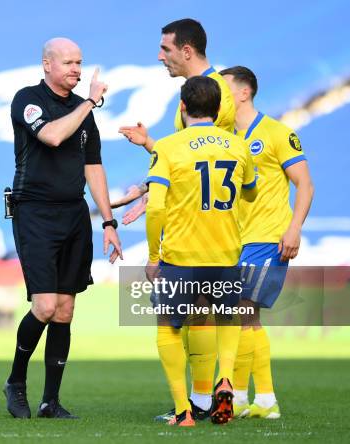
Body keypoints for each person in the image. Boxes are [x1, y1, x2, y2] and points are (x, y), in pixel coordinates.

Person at [115, 18, 237, 422]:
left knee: (175, 320)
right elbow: (202, 157)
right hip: (217, 234)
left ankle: (196, 400)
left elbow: (198, 157)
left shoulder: (215, 93)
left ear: (187, 50)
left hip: (194, 232)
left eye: (165, 48)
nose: (159, 56)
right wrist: (152, 164)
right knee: (209, 313)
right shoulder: (205, 94)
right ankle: (207, 396)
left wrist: (155, 192)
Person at [3, 37, 123, 420]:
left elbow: (94, 168)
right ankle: (15, 382)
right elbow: (52, 136)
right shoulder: (28, 99)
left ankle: (49, 401)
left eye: (79, 62)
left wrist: (108, 221)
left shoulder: (83, 111)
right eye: (69, 62)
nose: (76, 69)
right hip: (34, 212)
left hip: (74, 213)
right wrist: (90, 101)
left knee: (66, 310)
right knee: (45, 305)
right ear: (46, 64)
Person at [145, 76, 257, 426]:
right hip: (225, 254)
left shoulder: (168, 147)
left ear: (182, 107)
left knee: (169, 327)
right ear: (220, 108)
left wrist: (152, 256)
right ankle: (226, 377)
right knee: (227, 317)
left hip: (182, 256)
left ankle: (183, 412)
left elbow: (155, 209)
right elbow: (251, 191)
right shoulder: (236, 145)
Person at [220, 66, 314, 419]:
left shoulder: (277, 132)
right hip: (232, 240)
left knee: (243, 311)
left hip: (266, 237)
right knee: (243, 317)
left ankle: (256, 398)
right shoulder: (223, 136)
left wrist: (294, 228)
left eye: (225, 88)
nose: (219, 95)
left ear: (243, 93)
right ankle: (253, 399)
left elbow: (305, 184)